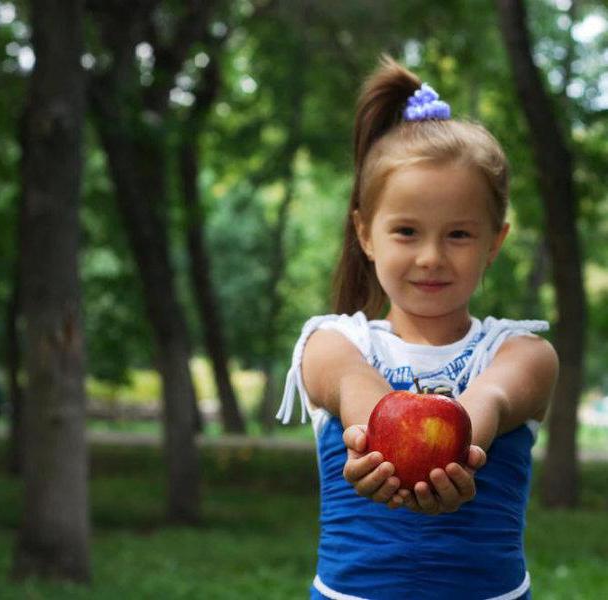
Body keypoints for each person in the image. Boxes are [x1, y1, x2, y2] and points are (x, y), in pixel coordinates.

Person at [276, 55, 558, 600]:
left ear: (494, 243)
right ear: (365, 234)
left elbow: (492, 400)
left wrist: (444, 456)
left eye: (458, 234)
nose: (431, 257)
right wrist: (383, 452)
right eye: (406, 231)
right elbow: (358, 391)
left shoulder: (521, 353)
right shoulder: (332, 344)